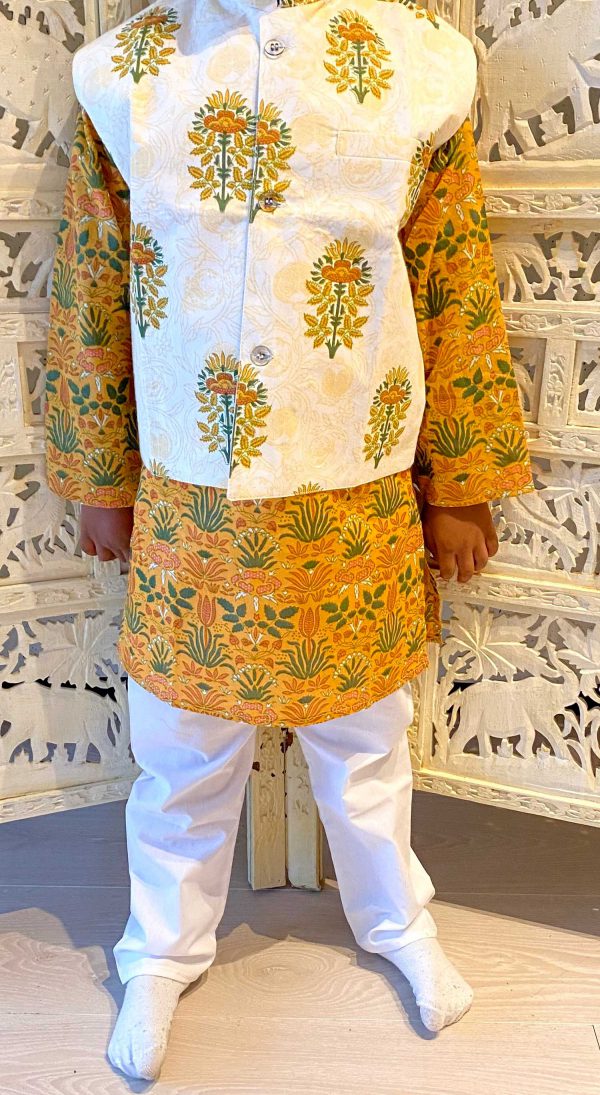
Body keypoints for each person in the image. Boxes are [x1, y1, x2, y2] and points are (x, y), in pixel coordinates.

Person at [44, 0, 535, 1079]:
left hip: (354, 487)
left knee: (367, 742)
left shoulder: (415, 66)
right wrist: (99, 473)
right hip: (192, 493)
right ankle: (160, 948)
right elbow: (94, 285)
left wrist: (461, 480)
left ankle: (395, 918)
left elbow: (453, 279)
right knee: (180, 748)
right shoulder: (126, 75)